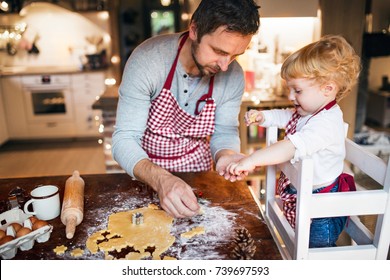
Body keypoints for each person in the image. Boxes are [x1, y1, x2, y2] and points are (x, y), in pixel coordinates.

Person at [112, 0, 260, 218]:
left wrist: (225, 155)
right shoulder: (148, 61)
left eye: (235, 55)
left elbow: (225, 131)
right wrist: (162, 180)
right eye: (218, 51)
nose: (225, 65)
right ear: (194, 30)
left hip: (198, 173)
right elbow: (124, 138)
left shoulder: (233, 75)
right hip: (146, 171)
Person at [225, 35, 361, 248]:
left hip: (321, 208)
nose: (291, 95)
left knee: (315, 251)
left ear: (328, 89)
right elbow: (285, 116)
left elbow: (290, 147)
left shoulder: (326, 122)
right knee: (298, 242)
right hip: (304, 193)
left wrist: (251, 160)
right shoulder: (309, 110)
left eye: (297, 90)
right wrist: (264, 117)